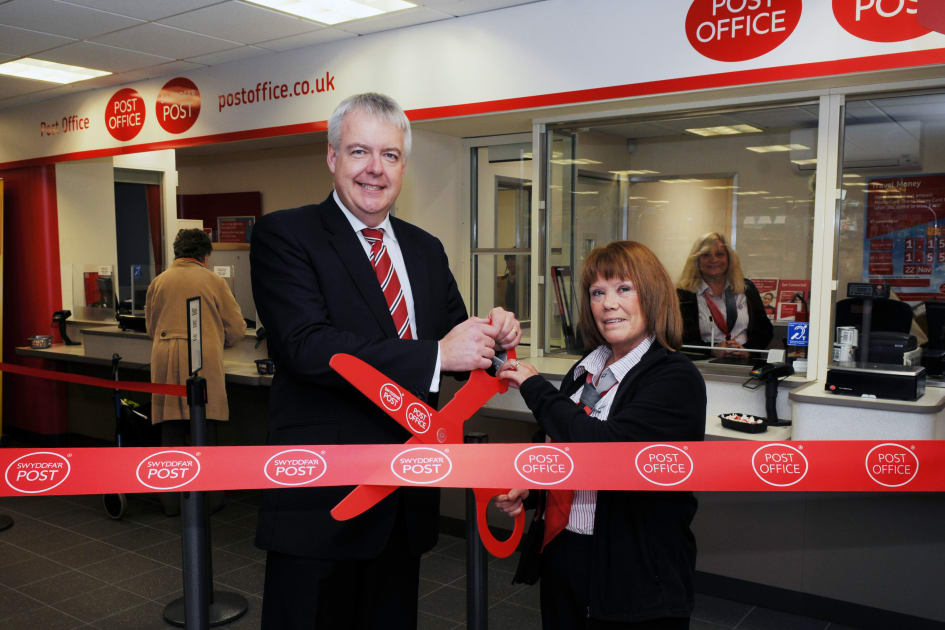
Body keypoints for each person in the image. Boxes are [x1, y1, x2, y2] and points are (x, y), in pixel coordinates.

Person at [250, 92, 521, 629]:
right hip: (322, 502)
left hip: (405, 502)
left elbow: (458, 347)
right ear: (332, 158)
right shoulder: (286, 235)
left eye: (390, 155)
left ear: (403, 165)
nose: (375, 169)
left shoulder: (426, 248)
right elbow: (308, 347)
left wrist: (494, 338)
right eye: (359, 152)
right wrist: (438, 354)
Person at [495, 240, 706, 629]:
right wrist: (533, 487)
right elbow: (560, 446)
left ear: (652, 294)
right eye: (597, 292)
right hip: (566, 553)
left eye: (624, 288)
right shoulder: (584, 370)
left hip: (635, 572)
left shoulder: (674, 377)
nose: (609, 303)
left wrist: (536, 389)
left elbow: (604, 450)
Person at [145, 228, 246, 516]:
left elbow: (150, 327)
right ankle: (210, 499)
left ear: (177, 252)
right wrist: (220, 340)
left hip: (164, 357)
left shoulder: (159, 281)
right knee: (205, 428)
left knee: (171, 428)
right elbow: (237, 329)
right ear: (205, 254)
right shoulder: (213, 280)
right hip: (201, 358)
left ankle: (170, 502)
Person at [676, 232, 773, 357]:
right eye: (706, 255)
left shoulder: (746, 288)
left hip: (744, 364)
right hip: (701, 365)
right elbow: (676, 338)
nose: (713, 260)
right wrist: (712, 350)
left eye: (719, 254)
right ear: (697, 260)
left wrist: (746, 350)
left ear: (729, 259)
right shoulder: (683, 295)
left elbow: (765, 330)